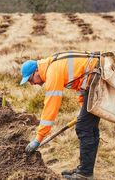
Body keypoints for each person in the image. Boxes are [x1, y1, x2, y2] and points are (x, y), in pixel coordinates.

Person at [20, 51, 100, 180]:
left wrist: (38, 138)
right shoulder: (52, 64)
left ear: (36, 72)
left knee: (84, 128)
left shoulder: (52, 72)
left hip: (98, 81)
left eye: (30, 79)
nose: (32, 84)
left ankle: (85, 173)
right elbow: (81, 81)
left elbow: (50, 107)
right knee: (88, 127)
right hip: (94, 81)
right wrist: (83, 108)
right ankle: (84, 169)